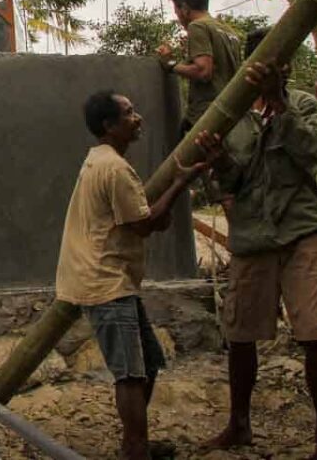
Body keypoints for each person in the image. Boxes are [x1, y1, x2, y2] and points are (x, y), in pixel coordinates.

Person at [198, 28, 317, 460]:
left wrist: (281, 104)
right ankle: (239, 425)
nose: (278, 68)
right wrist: (221, 162)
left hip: (301, 232)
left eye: (283, 62)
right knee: (241, 332)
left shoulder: (302, 104)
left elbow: (315, 152)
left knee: (314, 332)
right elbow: (231, 181)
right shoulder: (231, 115)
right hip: (253, 236)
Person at [55, 90, 217, 460]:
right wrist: (179, 183)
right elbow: (144, 225)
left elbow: (139, 220)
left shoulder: (102, 160)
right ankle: (136, 448)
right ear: (109, 126)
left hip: (113, 278)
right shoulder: (115, 168)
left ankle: (135, 444)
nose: (138, 118)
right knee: (130, 374)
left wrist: (160, 213)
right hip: (105, 281)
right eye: (129, 113)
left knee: (149, 363)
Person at [156, 0, 241, 133]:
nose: (178, 17)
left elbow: (203, 71)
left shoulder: (197, 26)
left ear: (185, 8)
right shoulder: (228, 31)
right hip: (232, 113)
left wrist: (170, 63)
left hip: (206, 117)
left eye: (177, 11)